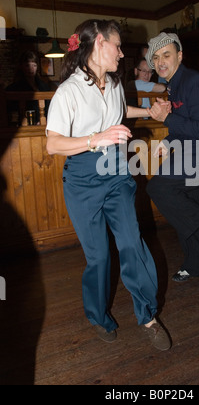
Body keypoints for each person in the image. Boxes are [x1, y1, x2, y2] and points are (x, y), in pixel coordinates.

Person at [46, 19, 171, 351]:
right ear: (99, 43)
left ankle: (148, 316)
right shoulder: (69, 91)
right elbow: (53, 144)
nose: (121, 52)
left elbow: (118, 111)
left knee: (132, 242)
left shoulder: (114, 83)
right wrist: (96, 138)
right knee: (99, 257)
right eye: (117, 45)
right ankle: (98, 316)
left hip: (116, 172)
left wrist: (149, 112)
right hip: (83, 179)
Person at [145, 32, 199, 282]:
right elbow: (187, 124)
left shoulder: (193, 82)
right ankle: (196, 264)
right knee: (183, 211)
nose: (161, 61)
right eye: (156, 57)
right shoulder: (175, 84)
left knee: (159, 189)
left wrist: (166, 119)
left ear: (180, 56)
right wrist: (168, 140)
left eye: (166, 55)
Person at [6, 50, 53, 125]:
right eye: (27, 65)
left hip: (44, 123)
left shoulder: (44, 86)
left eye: (34, 65)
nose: (31, 69)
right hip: (25, 124)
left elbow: (49, 106)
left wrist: (45, 119)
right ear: (21, 66)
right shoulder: (14, 87)